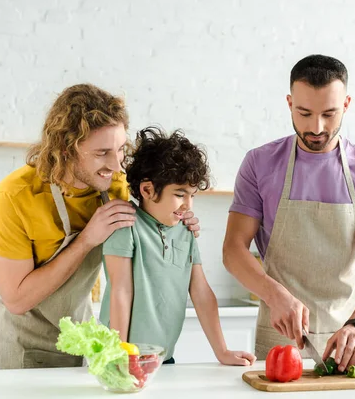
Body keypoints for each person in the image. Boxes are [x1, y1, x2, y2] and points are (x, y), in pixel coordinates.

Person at [0, 84, 201, 370]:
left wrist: (180, 219)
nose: (116, 165)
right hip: (19, 341)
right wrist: (86, 240)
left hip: (80, 339)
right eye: (101, 153)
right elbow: (17, 300)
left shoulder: (116, 187)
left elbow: (157, 215)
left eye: (120, 149)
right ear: (66, 150)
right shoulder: (15, 196)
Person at [223, 54, 355, 373]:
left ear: (346, 104)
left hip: (348, 341)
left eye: (329, 114)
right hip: (278, 341)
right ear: (289, 103)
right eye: (304, 113)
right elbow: (233, 250)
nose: (316, 128)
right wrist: (274, 294)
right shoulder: (259, 165)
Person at [99, 126, 255, 366]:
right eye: (180, 194)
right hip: (121, 359)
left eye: (192, 195)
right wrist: (121, 353)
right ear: (147, 190)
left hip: (163, 358)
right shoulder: (125, 225)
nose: (187, 205)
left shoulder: (186, 232)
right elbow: (121, 291)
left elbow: (201, 293)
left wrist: (222, 351)